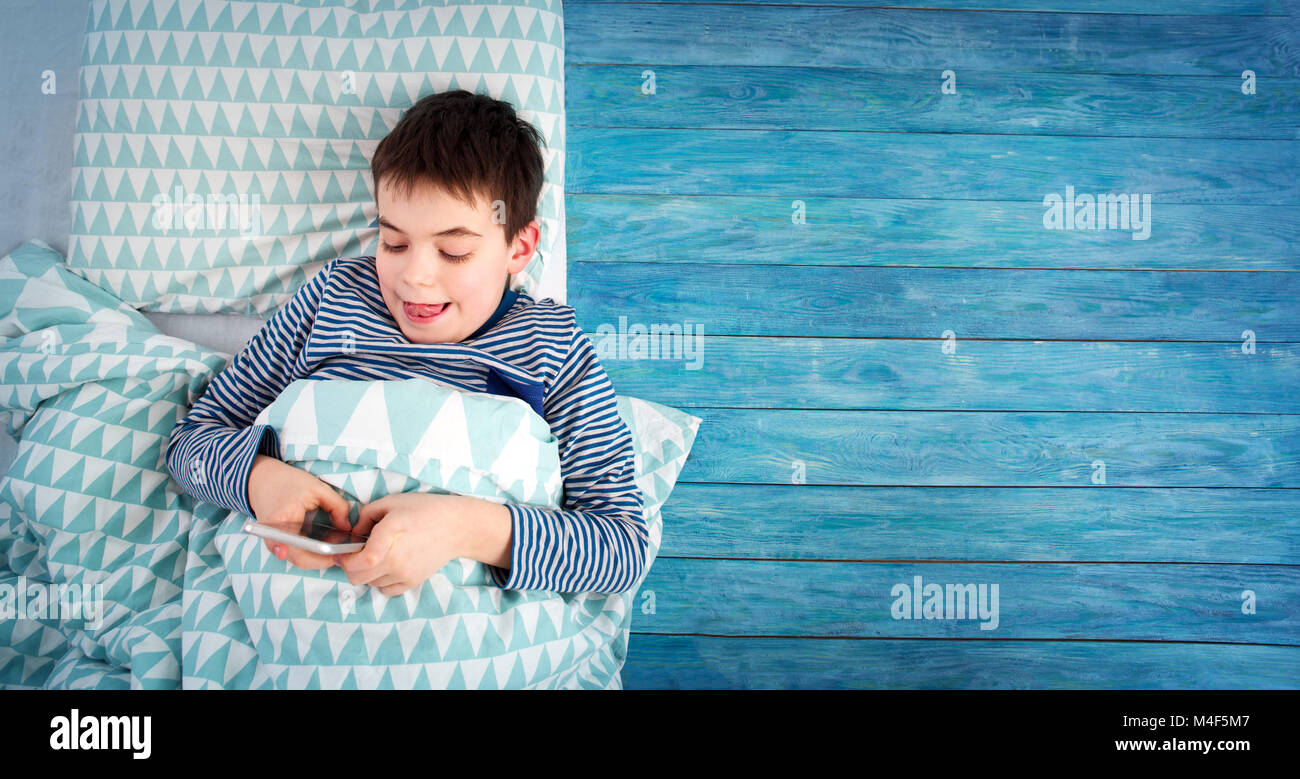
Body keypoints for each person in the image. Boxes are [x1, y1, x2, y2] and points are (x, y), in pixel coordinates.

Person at [165, 90, 646, 597]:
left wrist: (465, 527)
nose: (414, 277)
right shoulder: (331, 299)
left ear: (519, 247)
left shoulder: (550, 348)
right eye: (393, 242)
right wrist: (258, 479)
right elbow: (189, 444)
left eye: (453, 251)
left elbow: (622, 548)